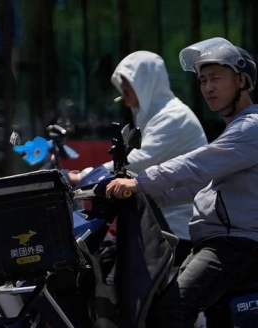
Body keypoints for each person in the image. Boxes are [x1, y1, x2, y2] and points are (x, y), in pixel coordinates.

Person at [106, 37, 258, 327]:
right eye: (203, 80)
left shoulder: (251, 127)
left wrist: (139, 184)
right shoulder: (236, 130)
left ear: (241, 81)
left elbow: (195, 165)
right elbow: (202, 187)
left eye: (216, 78)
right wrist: (148, 197)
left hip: (237, 245)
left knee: (172, 309)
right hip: (217, 241)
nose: (208, 88)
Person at [69, 51, 207, 265]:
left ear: (147, 81)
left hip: (177, 229)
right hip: (158, 223)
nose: (122, 88)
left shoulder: (174, 118)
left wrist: (83, 177)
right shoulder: (155, 116)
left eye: (129, 80)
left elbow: (136, 162)